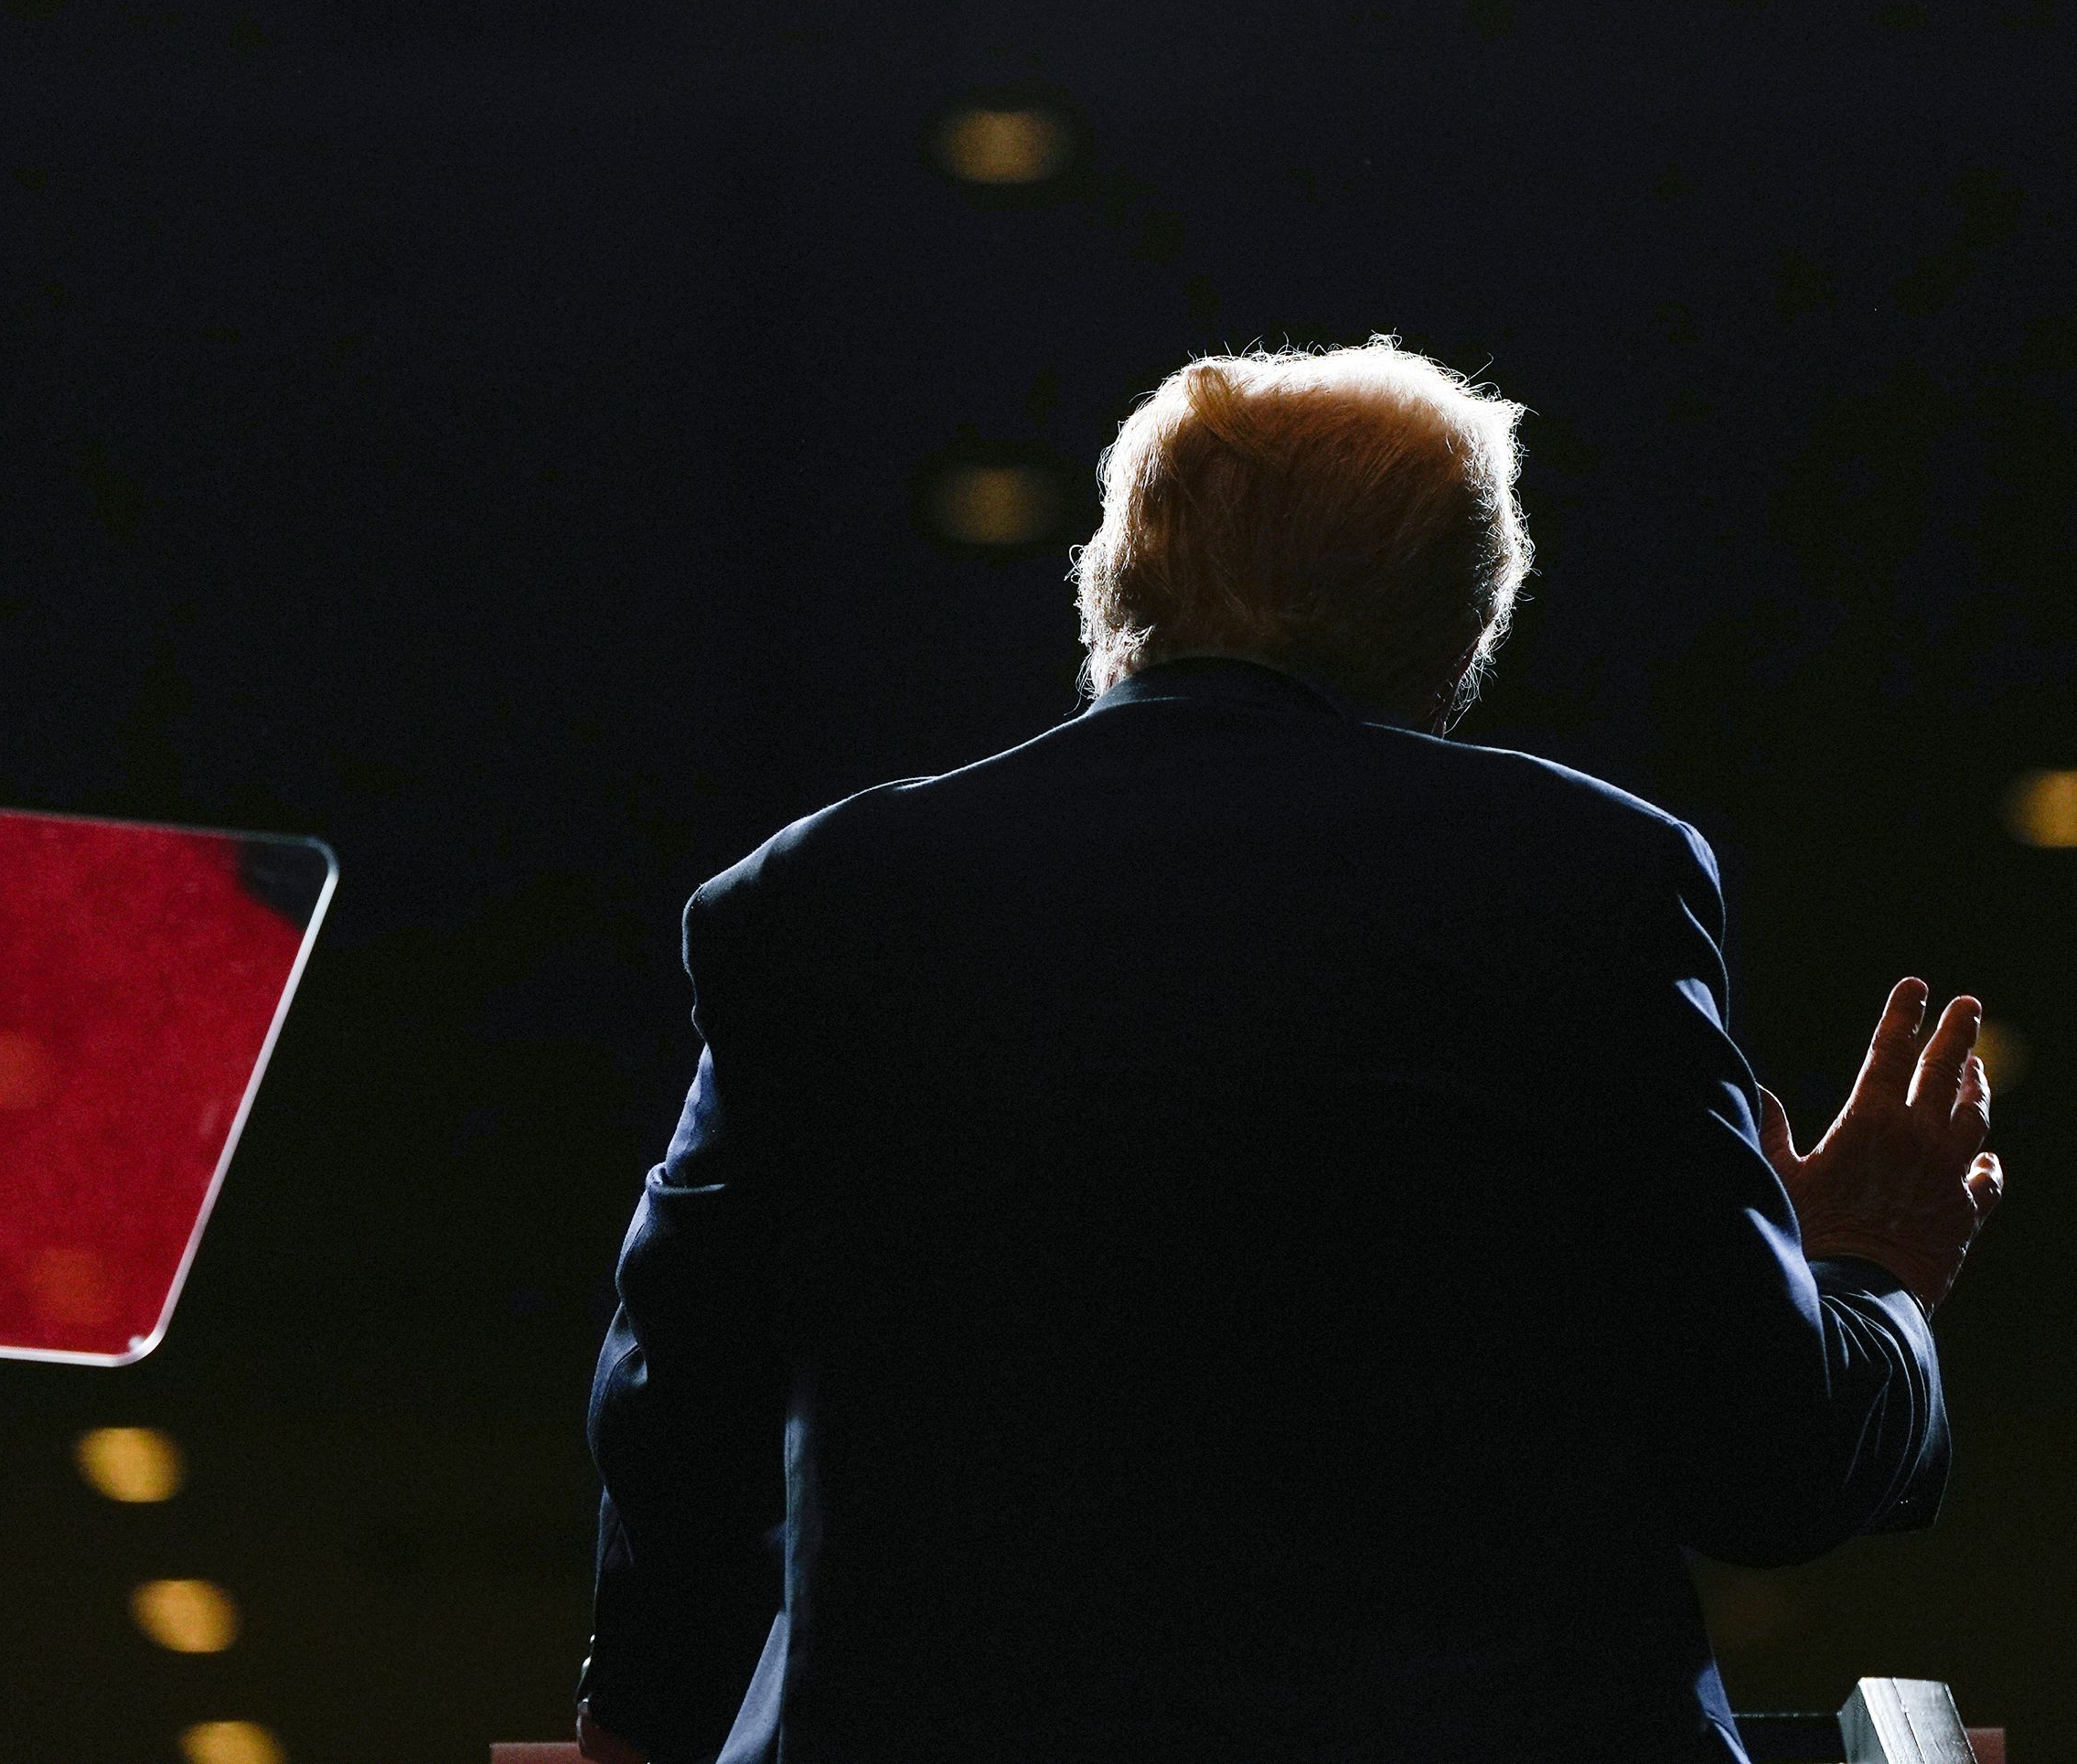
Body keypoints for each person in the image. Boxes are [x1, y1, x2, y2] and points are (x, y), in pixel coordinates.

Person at [576, 337, 2002, 1764]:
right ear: (1459, 629)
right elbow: (1765, 1467)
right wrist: (1867, 1278)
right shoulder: (1585, 878)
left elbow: (673, 1414)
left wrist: (646, 1723)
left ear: (1115, 585)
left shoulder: (818, 895)